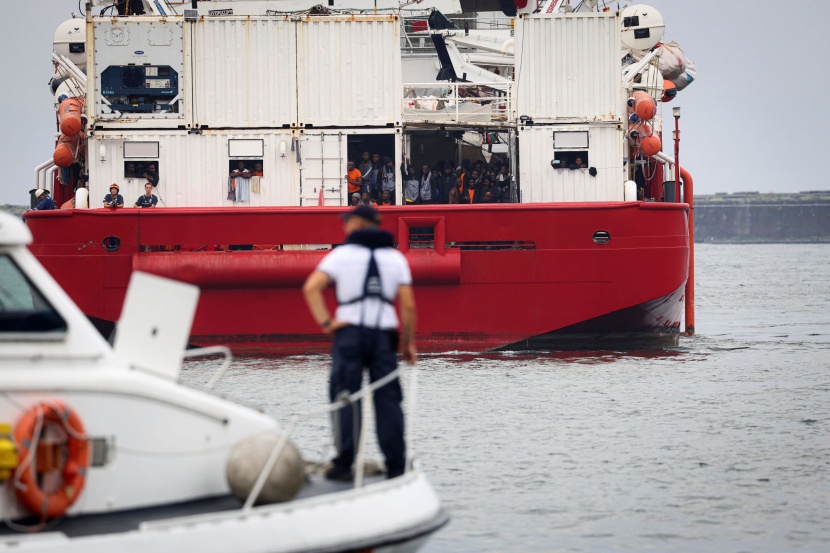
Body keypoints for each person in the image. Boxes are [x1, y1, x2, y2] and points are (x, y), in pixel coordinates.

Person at [302, 205, 417, 481]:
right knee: (388, 400)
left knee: (345, 396)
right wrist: (407, 345)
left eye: (348, 222)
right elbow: (409, 307)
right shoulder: (395, 258)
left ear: (357, 224)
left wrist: (327, 323)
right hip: (382, 336)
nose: (344, 227)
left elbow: (311, 288)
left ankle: (344, 464)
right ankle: (396, 465)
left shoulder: (341, 255)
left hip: (349, 334)